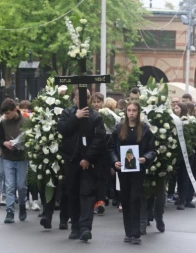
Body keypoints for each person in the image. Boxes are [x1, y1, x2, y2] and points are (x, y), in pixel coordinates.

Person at [57, 89, 106, 242]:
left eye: (87, 97)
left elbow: (100, 139)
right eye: (80, 96)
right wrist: (75, 118)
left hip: (88, 163)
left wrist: (88, 158)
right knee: (72, 194)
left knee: (87, 195)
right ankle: (75, 227)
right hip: (71, 161)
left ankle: (85, 228)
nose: (84, 99)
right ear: (75, 98)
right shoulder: (67, 113)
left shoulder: (96, 116)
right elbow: (62, 129)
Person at [109, 101, 156, 244]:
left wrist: (145, 158)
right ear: (126, 112)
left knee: (135, 198)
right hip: (123, 170)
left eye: (134, 110)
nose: (131, 113)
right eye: (129, 110)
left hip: (138, 170)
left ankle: (136, 233)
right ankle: (128, 232)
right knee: (125, 199)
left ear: (138, 112)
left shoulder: (145, 129)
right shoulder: (119, 129)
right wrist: (115, 161)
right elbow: (111, 148)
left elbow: (152, 150)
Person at [0, 98, 29, 223]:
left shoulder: (25, 122)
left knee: (21, 185)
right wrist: (4, 143)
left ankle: (22, 205)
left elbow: (30, 138)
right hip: (8, 158)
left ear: (15, 109)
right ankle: (9, 211)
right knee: (9, 185)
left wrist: (21, 144)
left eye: (8, 113)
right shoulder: (3, 123)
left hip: (21, 158)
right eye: (5, 114)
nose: (6, 116)